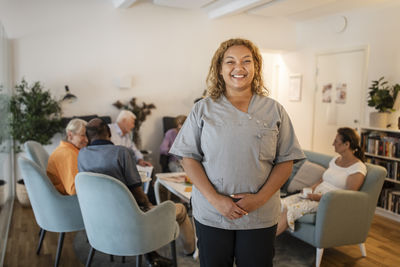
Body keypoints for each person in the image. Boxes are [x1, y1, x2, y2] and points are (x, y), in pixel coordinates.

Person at [169, 38, 305, 267]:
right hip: (213, 213)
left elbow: (286, 161)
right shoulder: (203, 109)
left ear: (256, 68)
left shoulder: (274, 110)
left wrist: (259, 199)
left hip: (259, 215)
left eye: (246, 61)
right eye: (230, 62)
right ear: (220, 69)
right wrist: (216, 200)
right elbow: (188, 157)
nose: (238, 68)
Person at [78, 118, 195, 266]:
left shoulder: (82, 155)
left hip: (99, 221)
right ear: (108, 132)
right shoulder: (121, 152)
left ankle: (152, 255)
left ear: (87, 137)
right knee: (181, 209)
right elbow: (139, 198)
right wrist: (150, 206)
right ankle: (190, 251)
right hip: (131, 221)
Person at [276, 127, 367, 235]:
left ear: (346, 145)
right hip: (314, 196)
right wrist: (309, 190)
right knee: (281, 204)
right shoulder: (335, 160)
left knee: (291, 209)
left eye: (336, 141)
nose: (333, 144)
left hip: (327, 202)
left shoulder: (357, 168)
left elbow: (348, 195)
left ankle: (266, 244)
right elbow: (322, 180)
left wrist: (318, 197)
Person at [47, 118, 88, 195]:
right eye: (83, 135)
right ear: (70, 135)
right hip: (67, 200)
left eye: (87, 136)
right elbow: (74, 190)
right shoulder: (68, 154)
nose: (87, 140)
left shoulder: (68, 149)